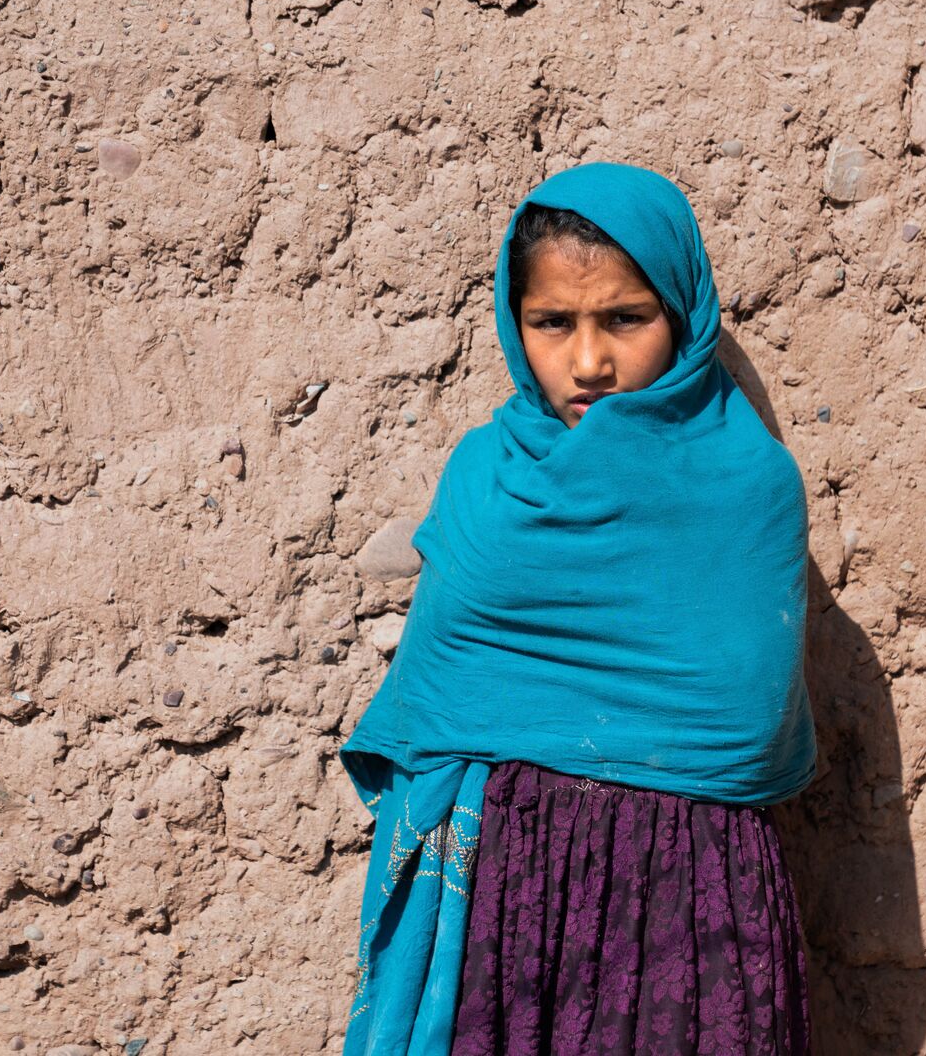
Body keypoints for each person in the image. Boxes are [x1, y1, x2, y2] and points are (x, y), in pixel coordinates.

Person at [339, 161, 817, 1056]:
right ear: (513, 325)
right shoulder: (488, 478)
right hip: (501, 897)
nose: (588, 360)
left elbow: (745, 727)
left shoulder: (747, 488)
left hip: (688, 891)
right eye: (551, 323)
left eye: (625, 320)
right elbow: (437, 700)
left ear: (680, 313)